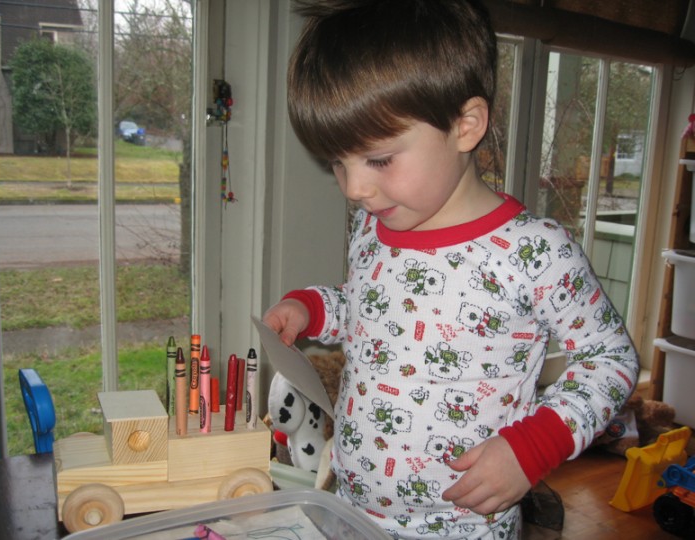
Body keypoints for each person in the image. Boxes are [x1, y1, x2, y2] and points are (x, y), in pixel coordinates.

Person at [263, 1, 640, 538]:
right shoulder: (374, 226)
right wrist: (313, 308)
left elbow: (611, 360)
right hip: (350, 505)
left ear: (466, 126)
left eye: (378, 159)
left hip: (461, 525)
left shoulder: (534, 252)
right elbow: (372, 311)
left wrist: (531, 448)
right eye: (337, 163)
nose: (353, 188)